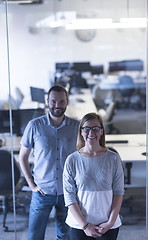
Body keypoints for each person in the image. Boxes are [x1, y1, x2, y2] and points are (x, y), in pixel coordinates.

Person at [19, 85, 79, 240]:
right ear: (47, 101)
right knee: (35, 236)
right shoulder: (34, 126)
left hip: (68, 191)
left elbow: (83, 156)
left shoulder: (76, 127)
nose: (57, 105)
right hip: (42, 191)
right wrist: (32, 185)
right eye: (53, 101)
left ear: (67, 102)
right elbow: (23, 157)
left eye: (61, 101)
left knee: (65, 235)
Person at [63, 112, 124, 240]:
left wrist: (110, 223)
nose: (91, 133)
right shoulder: (72, 160)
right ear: (81, 131)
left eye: (95, 128)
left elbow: (118, 192)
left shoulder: (113, 158)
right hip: (79, 225)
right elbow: (69, 197)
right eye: (87, 128)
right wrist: (85, 226)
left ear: (101, 131)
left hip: (107, 224)